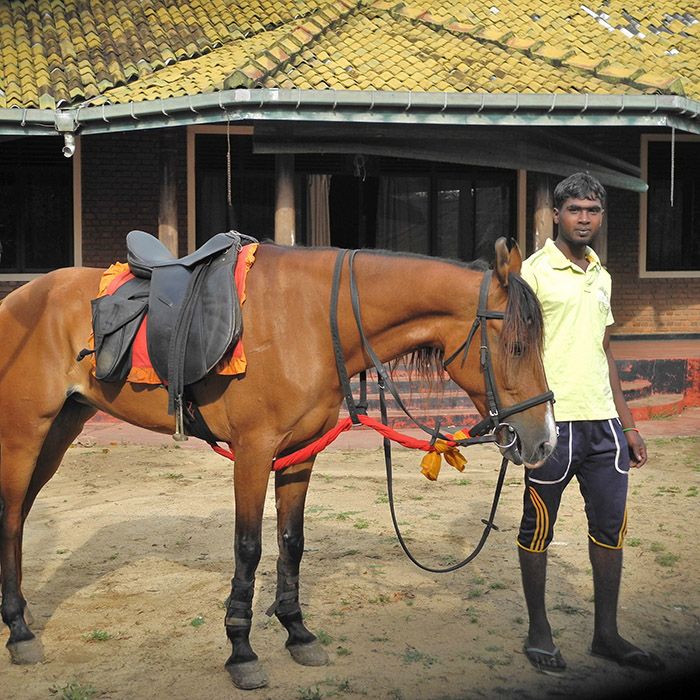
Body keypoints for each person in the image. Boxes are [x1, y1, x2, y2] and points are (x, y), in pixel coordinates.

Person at [517, 172, 664, 674]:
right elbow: (514, 351)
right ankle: (539, 631)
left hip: (603, 426)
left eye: (593, 211)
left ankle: (607, 634)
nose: (584, 219)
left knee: (610, 529)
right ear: (556, 214)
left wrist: (630, 425)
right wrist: (513, 419)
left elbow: (605, 349)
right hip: (552, 425)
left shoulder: (601, 273)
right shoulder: (533, 273)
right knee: (539, 527)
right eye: (575, 209)